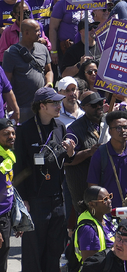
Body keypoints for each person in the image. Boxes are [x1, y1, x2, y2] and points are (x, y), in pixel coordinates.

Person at [13, 87, 75, 272]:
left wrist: (71, 153)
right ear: (42, 106)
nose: (58, 106)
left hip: (57, 197)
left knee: (54, 249)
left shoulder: (60, 127)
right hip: (34, 198)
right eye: (54, 103)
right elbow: (19, 167)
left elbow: (64, 158)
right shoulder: (25, 130)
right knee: (33, 250)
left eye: (59, 102)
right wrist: (23, 199)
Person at [86, 111, 127, 228]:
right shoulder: (100, 154)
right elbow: (92, 187)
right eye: (118, 128)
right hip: (107, 215)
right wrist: (97, 216)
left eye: (126, 127)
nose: (123, 131)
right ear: (110, 131)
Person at [3, 19, 53, 123]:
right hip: (22, 106)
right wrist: (11, 106)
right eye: (37, 31)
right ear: (26, 33)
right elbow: (6, 82)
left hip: (42, 105)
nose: (40, 33)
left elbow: (49, 71)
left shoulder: (43, 49)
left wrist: (49, 83)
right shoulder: (11, 53)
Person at [64, 92, 106, 213]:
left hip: (106, 181)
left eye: (100, 103)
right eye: (94, 105)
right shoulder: (74, 129)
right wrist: (89, 152)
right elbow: (67, 161)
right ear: (83, 107)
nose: (98, 107)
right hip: (84, 183)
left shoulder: (109, 122)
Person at [74, 186, 115, 264]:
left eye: (109, 196)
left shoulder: (104, 218)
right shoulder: (88, 230)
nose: (109, 201)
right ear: (92, 204)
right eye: (105, 200)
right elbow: (90, 265)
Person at [0, 118, 15, 271]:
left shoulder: (7, 155)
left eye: (13, 133)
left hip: (7, 217)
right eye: (6, 134)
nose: (11, 136)